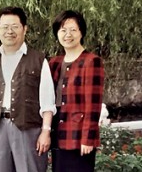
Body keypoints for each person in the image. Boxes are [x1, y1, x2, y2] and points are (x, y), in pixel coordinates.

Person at [0, 6, 56, 172]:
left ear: (24, 29)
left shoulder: (38, 59)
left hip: (28, 128)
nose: (10, 31)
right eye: (5, 27)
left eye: (15, 26)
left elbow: (47, 99)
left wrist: (46, 131)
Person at [49, 10, 104, 172]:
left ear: (82, 32)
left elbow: (93, 105)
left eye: (73, 30)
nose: (68, 34)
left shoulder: (91, 61)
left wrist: (88, 138)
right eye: (63, 30)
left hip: (79, 135)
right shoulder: (54, 63)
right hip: (58, 133)